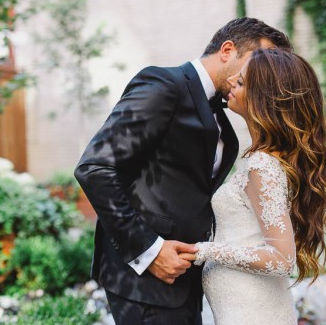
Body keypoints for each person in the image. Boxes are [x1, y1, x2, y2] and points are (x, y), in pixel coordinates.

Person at [74, 17, 292, 324]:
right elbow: (95, 168)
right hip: (147, 281)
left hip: (188, 279)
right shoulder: (162, 85)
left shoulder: (220, 114)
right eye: (259, 60)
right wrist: (150, 250)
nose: (262, 72)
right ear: (228, 50)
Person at [192, 49, 326, 324]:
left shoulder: (262, 166)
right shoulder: (261, 159)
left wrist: (204, 250)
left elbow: (282, 258)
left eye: (243, 82)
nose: (232, 80)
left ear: (264, 99)